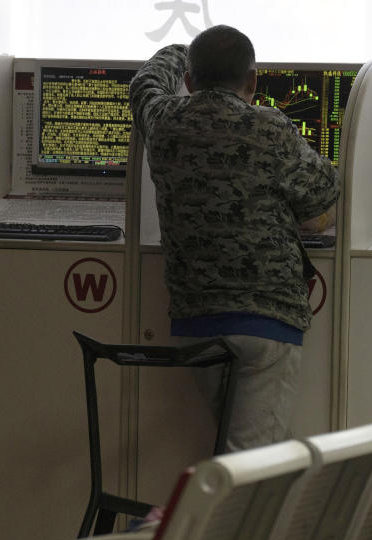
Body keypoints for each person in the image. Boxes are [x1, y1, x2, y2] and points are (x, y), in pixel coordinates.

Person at [129, 25, 341, 451]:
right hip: (267, 320)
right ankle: (184, 520)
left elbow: (144, 83)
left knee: (252, 451)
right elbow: (323, 192)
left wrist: (180, 49)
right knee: (251, 463)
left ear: (189, 81)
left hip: (196, 322)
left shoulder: (164, 119)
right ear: (254, 81)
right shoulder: (270, 127)